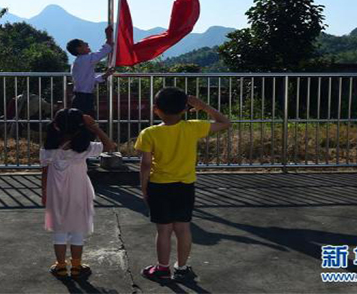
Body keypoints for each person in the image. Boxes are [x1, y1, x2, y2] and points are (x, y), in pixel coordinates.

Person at [134, 87, 231, 282]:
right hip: (185, 186)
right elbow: (225, 122)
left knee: (163, 230)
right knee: (183, 228)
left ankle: (162, 269)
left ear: (156, 109)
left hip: (159, 186)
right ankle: (182, 268)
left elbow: (145, 165)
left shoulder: (149, 133)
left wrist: (144, 188)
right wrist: (203, 106)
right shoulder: (192, 127)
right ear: (185, 109)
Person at [40, 108, 116, 279]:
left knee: (59, 231)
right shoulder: (84, 148)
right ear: (80, 127)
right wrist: (95, 127)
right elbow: (111, 146)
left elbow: (44, 172)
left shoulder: (48, 149)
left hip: (56, 195)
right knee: (77, 230)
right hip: (79, 194)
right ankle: (76, 266)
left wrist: (44, 192)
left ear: (56, 126)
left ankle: (60, 266)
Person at [67, 26, 115, 117]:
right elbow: (105, 50)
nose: (87, 43)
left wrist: (105, 75)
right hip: (83, 99)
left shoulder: (79, 61)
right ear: (78, 49)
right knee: (87, 123)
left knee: (83, 123)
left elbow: (88, 81)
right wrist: (108, 35)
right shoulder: (85, 59)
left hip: (81, 97)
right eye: (83, 43)